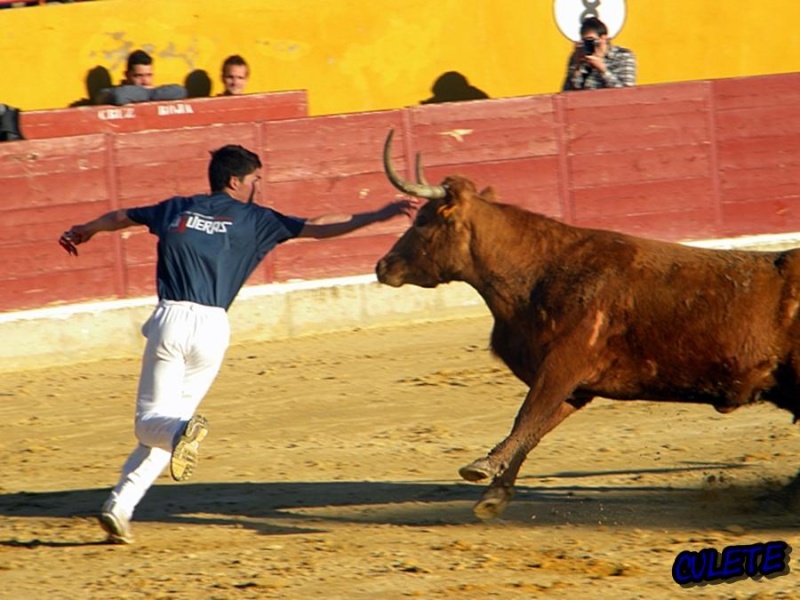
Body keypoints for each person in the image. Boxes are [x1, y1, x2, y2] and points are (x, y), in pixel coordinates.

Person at [58, 144, 418, 544]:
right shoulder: (257, 220)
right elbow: (318, 225)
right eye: (254, 180)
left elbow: (120, 216)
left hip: (172, 321)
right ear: (235, 181)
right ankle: (120, 506)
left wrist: (87, 229)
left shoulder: (176, 208)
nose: (257, 186)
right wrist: (379, 214)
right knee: (167, 426)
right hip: (213, 329)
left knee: (152, 424)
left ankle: (169, 446)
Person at [562, 16, 636, 91]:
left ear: (604, 38)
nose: (589, 44)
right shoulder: (579, 56)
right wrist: (576, 67)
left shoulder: (623, 56)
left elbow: (626, 92)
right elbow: (566, 92)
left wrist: (603, 70)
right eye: (585, 41)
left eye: (592, 40)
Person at [95, 49, 187, 106]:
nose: (145, 81)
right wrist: (150, 94)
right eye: (139, 76)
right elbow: (119, 96)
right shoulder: (112, 92)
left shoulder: (155, 93)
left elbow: (180, 91)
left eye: (149, 75)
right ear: (127, 75)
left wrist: (150, 93)